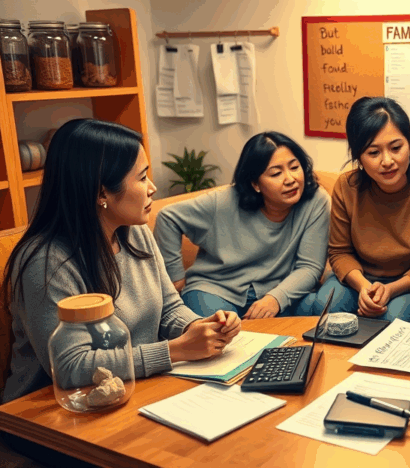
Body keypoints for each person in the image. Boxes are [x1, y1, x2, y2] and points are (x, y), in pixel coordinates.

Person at [1, 119, 241, 465]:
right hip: (50, 419)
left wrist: (200, 327)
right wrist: (175, 351)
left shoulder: (134, 231)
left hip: (131, 393)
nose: (152, 188)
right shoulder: (46, 262)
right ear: (101, 193)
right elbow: (70, 367)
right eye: (141, 178)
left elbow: (169, 306)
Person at [307, 97, 410, 323]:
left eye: (396, 148)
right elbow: (339, 252)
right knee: (325, 306)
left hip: (409, 284)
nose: (387, 161)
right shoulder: (346, 187)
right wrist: (364, 287)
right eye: (373, 152)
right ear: (359, 157)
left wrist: (390, 290)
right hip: (359, 278)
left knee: (389, 318)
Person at [154, 132, 330, 319]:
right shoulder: (222, 202)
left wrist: (275, 299)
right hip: (216, 290)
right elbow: (168, 218)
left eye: (294, 167)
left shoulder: (316, 201)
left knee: (326, 313)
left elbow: (310, 266)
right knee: (219, 331)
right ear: (255, 184)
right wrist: (176, 278)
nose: (290, 179)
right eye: (276, 173)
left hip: (279, 292)